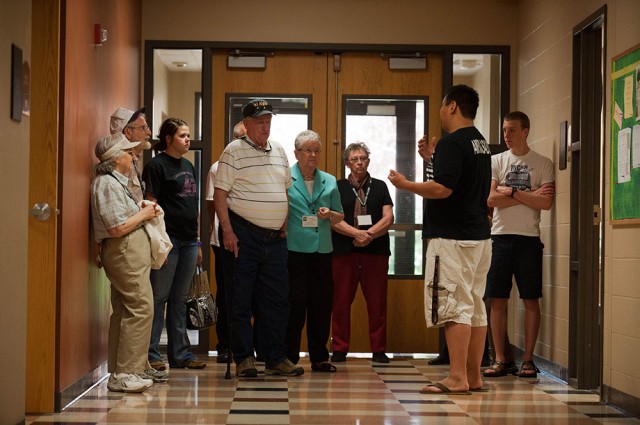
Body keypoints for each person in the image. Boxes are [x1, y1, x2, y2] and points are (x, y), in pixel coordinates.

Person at [388, 84, 492, 394]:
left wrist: (406, 184)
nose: (440, 113)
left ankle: (457, 378)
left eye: (442, 106)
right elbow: (458, 181)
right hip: (479, 238)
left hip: (451, 239)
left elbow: (443, 189)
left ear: (452, 107)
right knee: (475, 307)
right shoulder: (480, 142)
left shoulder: (452, 142)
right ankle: (474, 376)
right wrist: (432, 159)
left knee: (452, 307)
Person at [214, 99, 304, 377]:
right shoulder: (234, 151)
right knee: (240, 299)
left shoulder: (278, 150)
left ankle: (276, 356)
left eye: (268, 121)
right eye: (260, 122)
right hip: (243, 234)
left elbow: (285, 190)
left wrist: (285, 223)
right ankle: (244, 358)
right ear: (247, 124)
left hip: (275, 238)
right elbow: (220, 195)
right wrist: (227, 231)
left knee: (278, 300)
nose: (265, 126)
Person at [483, 111, 554, 379]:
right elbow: (490, 200)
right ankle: (501, 359)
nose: (507, 135)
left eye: (512, 130)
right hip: (500, 237)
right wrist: (529, 195)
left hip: (529, 240)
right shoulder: (496, 161)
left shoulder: (542, 163)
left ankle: (527, 360)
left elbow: (546, 203)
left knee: (530, 299)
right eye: (504, 130)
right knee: (497, 299)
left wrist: (511, 191)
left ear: (525, 131)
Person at [90, 133, 159, 392]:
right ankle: (127, 372)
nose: (133, 156)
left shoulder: (115, 182)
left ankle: (121, 372)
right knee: (141, 307)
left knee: (124, 309)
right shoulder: (106, 184)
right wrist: (143, 213)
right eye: (128, 153)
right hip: (124, 250)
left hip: (129, 251)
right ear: (115, 158)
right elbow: (116, 227)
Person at [143, 118, 206, 370]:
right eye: (182, 135)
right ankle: (152, 355)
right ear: (168, 139)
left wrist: (199, 242)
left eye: (188, 135)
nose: (187, 140)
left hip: (190, 241)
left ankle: (181, 355)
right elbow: (151, 204)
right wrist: (159, 244)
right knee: (159, 298)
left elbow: (194, 205)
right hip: (168, 241)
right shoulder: (156, 166)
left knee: (180, 300)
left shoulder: (188, 165)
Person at [285, 130, 344, 372]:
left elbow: (340, 215)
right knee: (294, 304)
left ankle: (320, 357)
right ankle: (288, 357)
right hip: (294, 250)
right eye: (308, 150)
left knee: (321, 305)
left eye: (316, 150)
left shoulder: (329, 180)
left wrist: (329, 215)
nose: (313, 155)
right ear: (297, 152)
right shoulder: (286, 178)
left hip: (322, 251)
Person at [330, 142, 394, 364]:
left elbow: (388, 217)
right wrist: (356, 234)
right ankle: (339, 349)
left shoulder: (380, 186)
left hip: (375, 252)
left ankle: (378, 349)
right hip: (343, 252)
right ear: (347, 163)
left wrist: (369, 235)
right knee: (340, 302)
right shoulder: (336, 187)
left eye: (363, 158)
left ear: (369, 160)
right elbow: (333, 219)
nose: (359, 162)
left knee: (377, 304)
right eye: (354, 159)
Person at [205, 121, 246, 364]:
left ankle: (249, 345)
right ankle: (226, 345)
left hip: (252, 240)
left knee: (250, 294)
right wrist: (222, 232)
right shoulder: (218, 167)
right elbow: (212, 204)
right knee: (227, 294)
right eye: (240, 138)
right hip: (224, 241)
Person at [110, 107, 153, 202]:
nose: (149, 133)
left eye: (147, 127)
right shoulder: (119, 164)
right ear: (128, 132)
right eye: (143, 128)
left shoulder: (135, 159)